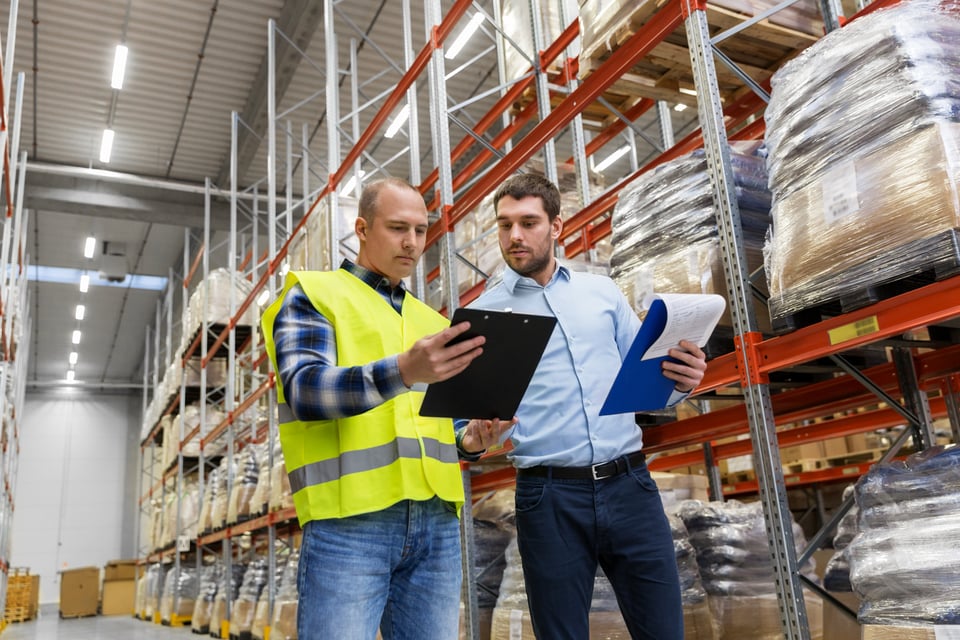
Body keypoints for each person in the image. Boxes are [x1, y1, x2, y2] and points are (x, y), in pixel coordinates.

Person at [458, 173, 708, 639]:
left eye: (528, 222)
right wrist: (471, 441)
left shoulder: (603, 293)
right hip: (548, 496)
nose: (515, 236)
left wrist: (685, 382)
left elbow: (650, 379)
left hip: (629, 485)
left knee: (663, 629)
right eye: (505, 224)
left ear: (556, 225)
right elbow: (462, 428)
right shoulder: (485, 316)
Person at [260, 177, 503, 640]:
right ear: (362, 229)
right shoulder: (312, 294)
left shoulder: (432, 322)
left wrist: (468, 440)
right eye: (397, 228)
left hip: (436, 523)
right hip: (350, 524)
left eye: (420, 230)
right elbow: (306, 390)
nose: (411, 243)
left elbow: (439, 422)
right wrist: (405, 369)